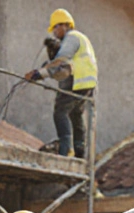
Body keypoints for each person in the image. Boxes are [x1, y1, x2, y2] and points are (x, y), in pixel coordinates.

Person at [24, 8, 97, 158]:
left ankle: (66, 149)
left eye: (55, 28)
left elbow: (60, 62)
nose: (54, 33)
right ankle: (79, 150)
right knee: (76, 114)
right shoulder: (82, 38)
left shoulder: (72, 37)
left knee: (60, 112)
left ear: (63, 25)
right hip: (87, 85)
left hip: (77, 83)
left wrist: (39, 73)